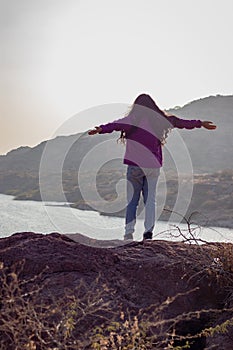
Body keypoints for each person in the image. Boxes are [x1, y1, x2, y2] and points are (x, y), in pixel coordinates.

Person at [88, 93, 216, 241]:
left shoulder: (132, 120)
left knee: (132, 201)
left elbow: (115, 125)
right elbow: (181, 122)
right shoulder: (161, 120)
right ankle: (148, 233)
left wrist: (100, 129)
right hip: (152, 167)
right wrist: (200, 123)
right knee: (151, 201)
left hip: (134, 166)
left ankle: (128, 233)